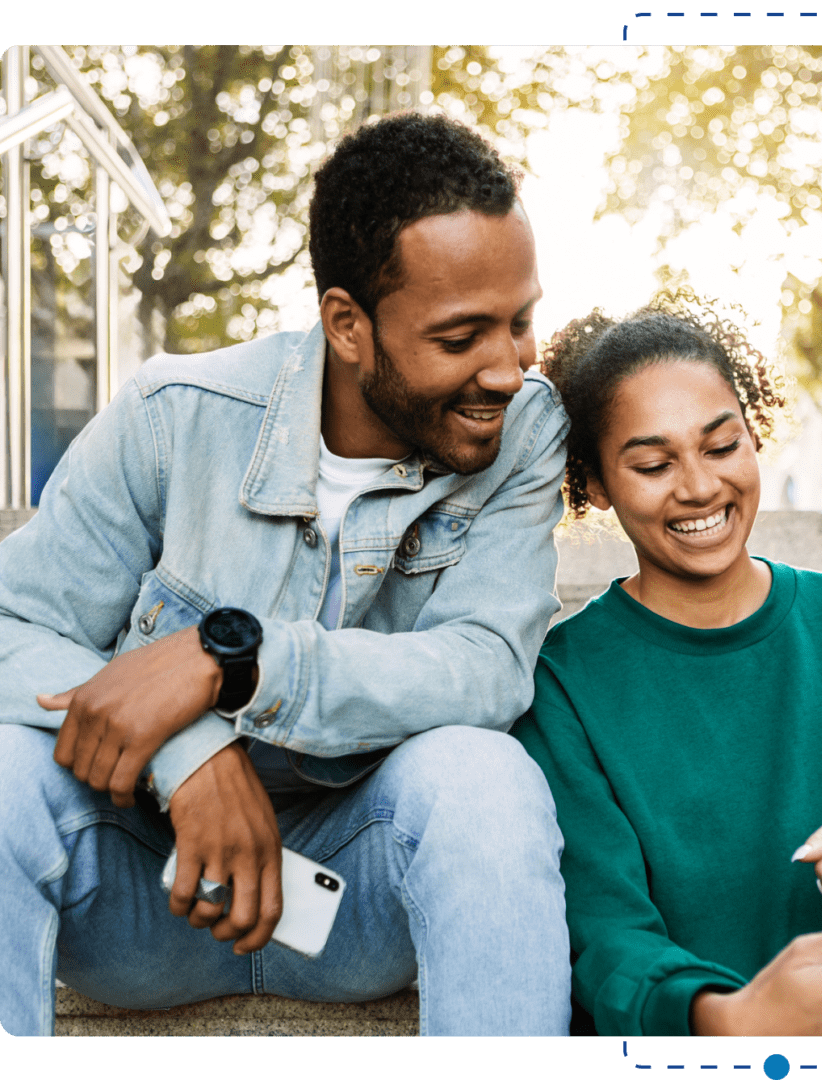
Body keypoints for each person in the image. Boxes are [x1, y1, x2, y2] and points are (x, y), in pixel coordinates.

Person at [0, 112, 573, 1038]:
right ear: (348, 324)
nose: (508, 368)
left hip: (355, 898)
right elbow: (11, 626)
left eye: (521, 321)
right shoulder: (174, 416)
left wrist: (242, 666)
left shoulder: (521, 431)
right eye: (463, 335)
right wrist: (191, 754)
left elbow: (486, 666)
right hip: (150, 888)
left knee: (486, 776)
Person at [510, 290, 822, 1037]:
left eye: (722, 444)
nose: (700, 486)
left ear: (754, 434)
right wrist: (734, 1018)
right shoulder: (561, 686)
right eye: (652, 462)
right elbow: (606, 939)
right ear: (597, 482)